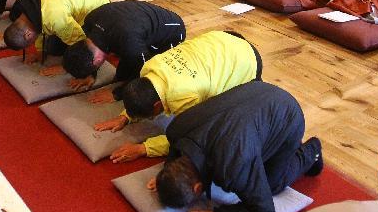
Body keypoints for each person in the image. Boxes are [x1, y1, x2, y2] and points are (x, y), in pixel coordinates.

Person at [153, 81, 323, 212]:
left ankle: (311, 151)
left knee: (271, 183)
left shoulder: (233, 165)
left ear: (198, 188)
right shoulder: (176, 130)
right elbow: (175, 152)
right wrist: (168, 177)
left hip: (288, 115)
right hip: (257, 92)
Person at [94, 31, 263, 162]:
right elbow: (142, 91)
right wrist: (125, 116)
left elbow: (187, 137)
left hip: (247, 60)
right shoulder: (150, 67)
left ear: (157, 105)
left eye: (150, 116)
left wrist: (143, 149)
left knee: (222, 121)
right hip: (221, 37)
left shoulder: (187, 96)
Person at [61, 1, 186, 100]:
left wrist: (117, 95)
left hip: (172, 31)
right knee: (122, 75)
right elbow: (90, 54)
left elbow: (145, 71)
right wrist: (91, 75)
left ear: (97, 61)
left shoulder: (129, 43)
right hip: (134, 23)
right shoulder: (90, 21)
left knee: (146, 77)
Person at [3, 0, 108, 61]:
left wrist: (64, 67)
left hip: (98, 2)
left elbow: (81, 44)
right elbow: (37, 24)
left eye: (31, 43)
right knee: (52, 46)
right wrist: (40, 50)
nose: (33, 44)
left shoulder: (55, 18)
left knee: (58, 49)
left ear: (28, 34)